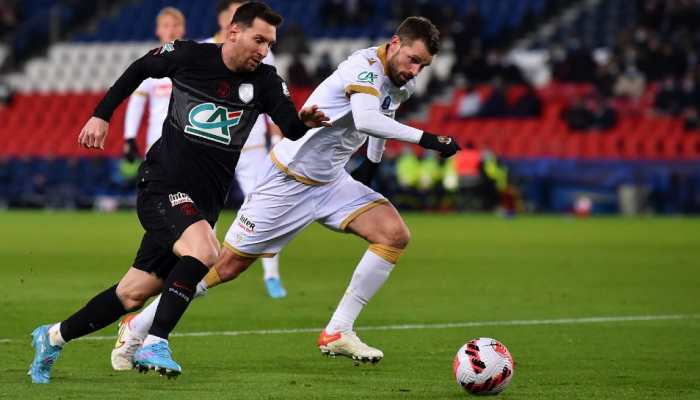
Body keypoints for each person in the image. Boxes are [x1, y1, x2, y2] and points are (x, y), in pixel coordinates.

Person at [120, 16, 460, 366]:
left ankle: (338, 330)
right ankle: (138, 324)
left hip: (331, 182)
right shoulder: (363, 67)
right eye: (413, 59)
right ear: (395, 44)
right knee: (225, 266)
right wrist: (429, 139)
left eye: (424, 65)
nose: (416, 70)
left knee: (394, 234)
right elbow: (366, 119)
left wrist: (370, 170)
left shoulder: (401, 81)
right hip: (288, 180)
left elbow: (380, 123)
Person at [28, 2, 329, 383]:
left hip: (203, 203)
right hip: (162, 184)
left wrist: (303, 121)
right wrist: (101, 114)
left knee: (133, 293)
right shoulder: (190, 55)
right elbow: (140, 67)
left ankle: (53, 336)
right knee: (206, 252)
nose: (263, 50)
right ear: (233, 32)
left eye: (269, 43)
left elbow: (290, 126)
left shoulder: (267, 81)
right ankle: (156, 341)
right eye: (258, 40)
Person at [204, 0, 287, 299]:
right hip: (214, 144)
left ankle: (272, 276)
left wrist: (277, 138)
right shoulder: (204, 50)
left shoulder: (263, 54)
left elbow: (274, 98)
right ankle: (203, 269)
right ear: (226, 19)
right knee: (205, 208)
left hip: (251, 146)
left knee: (264, 210)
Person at [122, 7, 186, 163]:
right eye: (166, 25)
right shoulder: (149, 63)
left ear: (183, 29)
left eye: (176, 25)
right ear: (158, 30)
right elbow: (136, 102)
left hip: (188, 144)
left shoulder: (196, 61)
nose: (171, 30)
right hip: (157, 143)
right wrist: (129, 137)